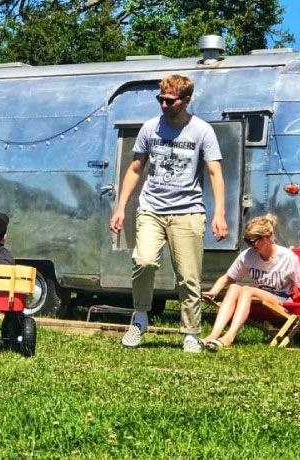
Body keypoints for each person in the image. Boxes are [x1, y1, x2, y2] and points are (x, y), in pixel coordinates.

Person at [108, 74, 228, 353]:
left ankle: (190, 332)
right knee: (145, 260)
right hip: (151, 208)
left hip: (187, 211)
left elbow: (215, 172)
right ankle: (139, 318)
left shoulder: (202, 131)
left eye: (169, 100)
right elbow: (136, 167)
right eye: (160, 99)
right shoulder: (150, 128)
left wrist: (219, 213)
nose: (163, 104)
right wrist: (120, 207)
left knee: (188, 276)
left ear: (186, 100)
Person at [200, 214, 300, 350]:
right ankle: (213, 335)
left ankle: (230, 336)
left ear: (268, 237)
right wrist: (214, 291)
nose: (251, 245)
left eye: (254, 241)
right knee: (234, 287)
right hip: (261, 297)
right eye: (247, 241)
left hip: (282, 299)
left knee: (247, 290)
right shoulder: (248, 255)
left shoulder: (287, 257)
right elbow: (228, 278)